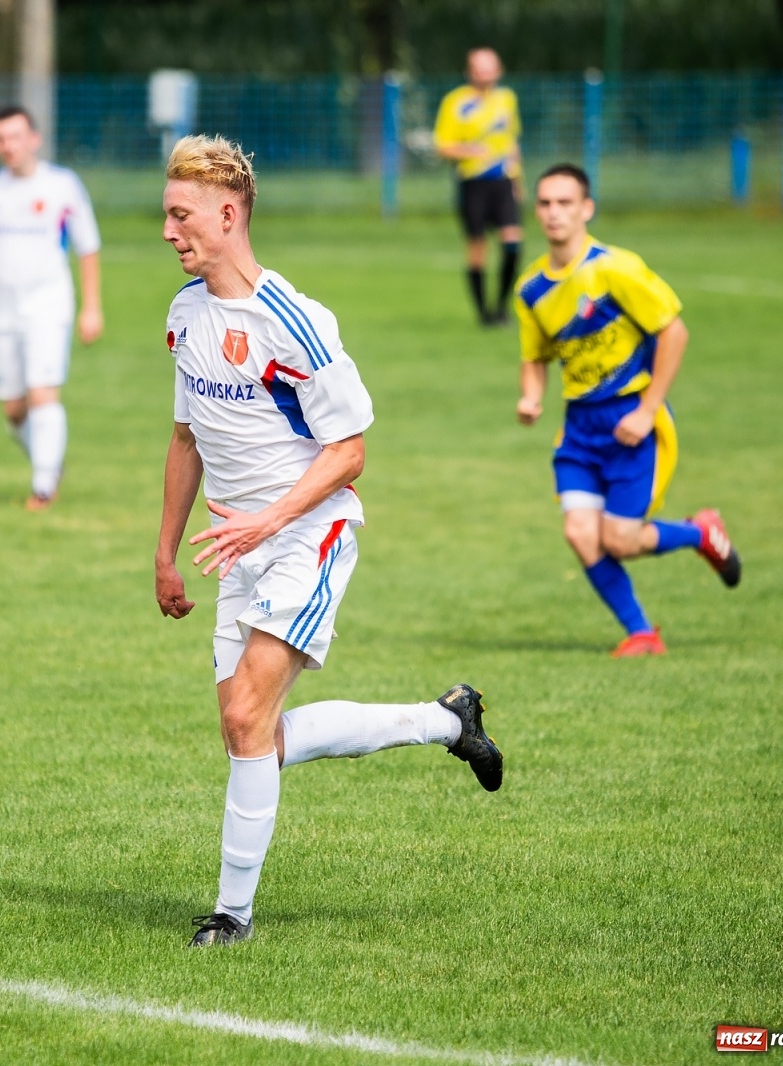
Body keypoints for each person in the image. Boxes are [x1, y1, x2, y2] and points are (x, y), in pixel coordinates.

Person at [155, 135, 504, 948]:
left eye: (181, 215)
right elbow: (185, 441)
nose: (169, 231)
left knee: (246, 718)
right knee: (257, 740)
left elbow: (350, 454)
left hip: (309, 533)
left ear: (228, 214)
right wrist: (166, 553)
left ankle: (232, 918)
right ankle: (448, 722)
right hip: (235, 547)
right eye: (166, 215)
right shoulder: (185, 315)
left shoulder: (296, 322)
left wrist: (267, 520)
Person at [515, 164, 741, 658]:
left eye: (565, 203)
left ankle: (701, 532)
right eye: (545, 203)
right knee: (580, 533)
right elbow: (534, 358)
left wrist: (648, 408)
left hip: (631, 422)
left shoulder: (614, 268)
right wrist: (531, 396)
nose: (554, 213)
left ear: (586, 209)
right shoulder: (531, 289)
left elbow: (673, 331)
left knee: (620, 540)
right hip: (579, 428)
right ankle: (642, 633)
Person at [0, 105, 103, 510]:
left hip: (49, 304)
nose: (8, 146)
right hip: (2, 311)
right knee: (14, 409)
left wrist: (92, 307)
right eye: (0, 139)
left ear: (34, 139)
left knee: (42, 393)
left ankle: (42, 486)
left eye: (15, 137)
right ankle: (49, 462)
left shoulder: (62, 186)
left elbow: (88, 247)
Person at [432, 48, 523, 326]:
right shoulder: (455, 102)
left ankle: (501, 307)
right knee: (477, 247)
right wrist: (470, 151)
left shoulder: (507, 99)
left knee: (512, 243)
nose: (485, 73)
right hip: (473, 183)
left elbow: (512, 142)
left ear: (499, 70)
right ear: (469, 72)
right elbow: (442, 146)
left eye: (490, 67)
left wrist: (518, 181)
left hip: (504, 181)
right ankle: (484, 313)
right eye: (479, 68)